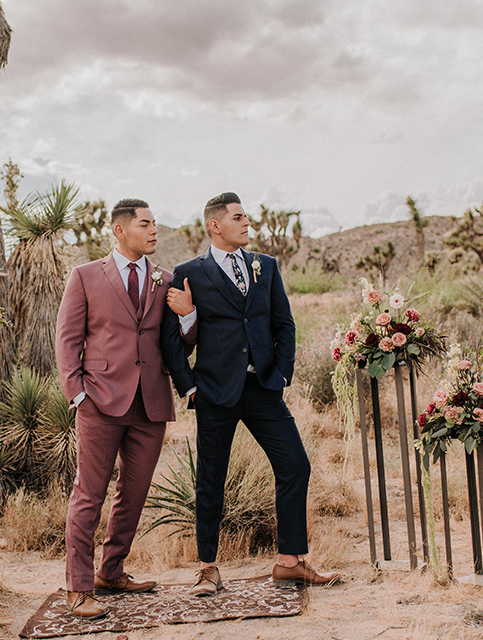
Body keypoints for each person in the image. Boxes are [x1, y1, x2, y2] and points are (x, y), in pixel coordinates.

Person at [161, 191, 340, 596]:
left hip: (263, 389)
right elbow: (171, 340)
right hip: (214, 393)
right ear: (215, 225)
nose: (247, 224)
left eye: (247, 217)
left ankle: (289, 562)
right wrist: (189, 387)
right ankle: (208, 568)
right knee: (211, 480)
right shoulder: (189, 271)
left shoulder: (266, 266)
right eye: (238, 217)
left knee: (295, 465)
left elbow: (284, 323)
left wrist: (282, 373)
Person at [55, 198, 185, 619]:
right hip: (99, 399)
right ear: (119, 230)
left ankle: (111, 571)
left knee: (134, 492)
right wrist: (77, 393)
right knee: (89, 494)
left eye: (155, 224)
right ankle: (78, 586)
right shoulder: (86, 276)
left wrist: (188, 317)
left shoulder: (165, 279)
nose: (153, 231)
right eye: (145, 224)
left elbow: (176, 342)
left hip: (150, 401)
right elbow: (68, 339)